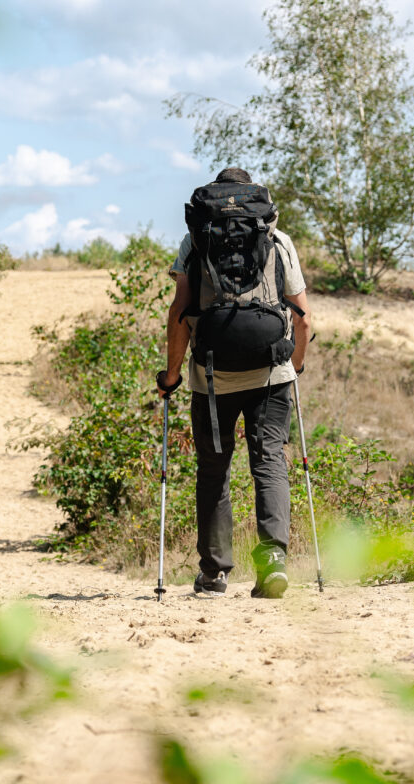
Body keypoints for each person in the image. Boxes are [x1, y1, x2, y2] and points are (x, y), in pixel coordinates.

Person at [156, 167, 310, 598]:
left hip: (211, 377)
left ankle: (214, 572)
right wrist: (294, 367)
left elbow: (179, 314)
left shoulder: (196, 240)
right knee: (269, 462)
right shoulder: (278, 241)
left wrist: (170, 376)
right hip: (271, 373)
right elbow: (303, 316)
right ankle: (274, 560)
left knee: (214, 471)